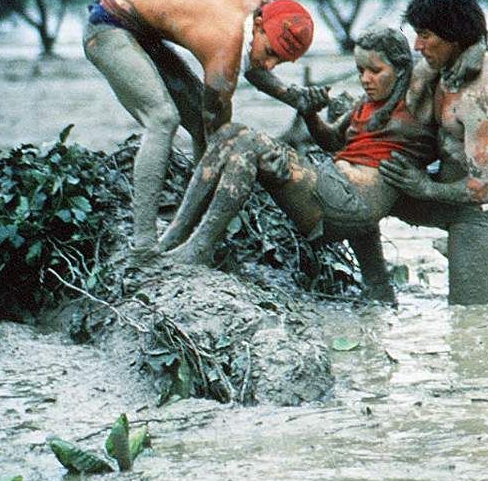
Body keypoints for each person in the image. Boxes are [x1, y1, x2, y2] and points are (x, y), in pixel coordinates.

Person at [158, 26, 436, 303]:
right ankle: (175, 236)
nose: (365, 79)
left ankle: (200, 246)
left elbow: (442, 66)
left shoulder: (415, 101)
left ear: (400, 70)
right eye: (360, 70)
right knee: (227, 133)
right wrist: (310, 114)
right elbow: (330, 140)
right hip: (343, 191)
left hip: (350, 202)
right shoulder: (366, 103)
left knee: (246, 140)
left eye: (375, 71)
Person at [83, 0, 327, 260]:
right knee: (162, 120)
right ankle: (143, 246)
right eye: (272, 52)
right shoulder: (225, 45)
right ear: (259, 25)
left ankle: (185, 230)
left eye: (281, 62)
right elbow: (220, 137)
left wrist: (294, 96)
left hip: (144, 31)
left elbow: (254, 63)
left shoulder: (262, 1)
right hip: (108, 26)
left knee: (199, 125)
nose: (271, 64)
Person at [379, 0, 488, 305]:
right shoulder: (441, 65)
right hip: (438, 185)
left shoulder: (479, 94)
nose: (417, 44)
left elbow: (484, 187)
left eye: (425, 35)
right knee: (355, 198)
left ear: (452, 36)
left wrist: (424, 187)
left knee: (470, 318)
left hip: (476, 209)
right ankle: (376, 288)